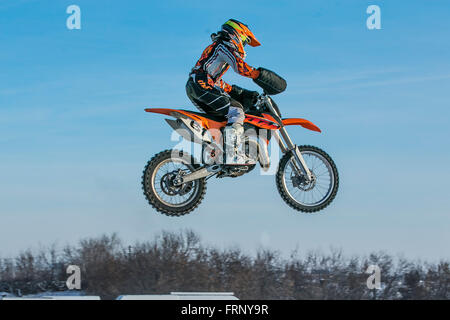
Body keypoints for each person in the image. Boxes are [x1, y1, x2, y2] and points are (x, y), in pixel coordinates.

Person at [186, 19, 262, 165]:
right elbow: (240, 67)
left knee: (221, 119)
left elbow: (213, 78)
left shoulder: (217, 47)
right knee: (237, 111)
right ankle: (232, 155)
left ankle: (217, 153)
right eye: (245, 41)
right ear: (237, 35)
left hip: (196, 85)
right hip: (201, 85)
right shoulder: (224, 46)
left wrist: (235, 90)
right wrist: (258, 74)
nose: (244, 46)